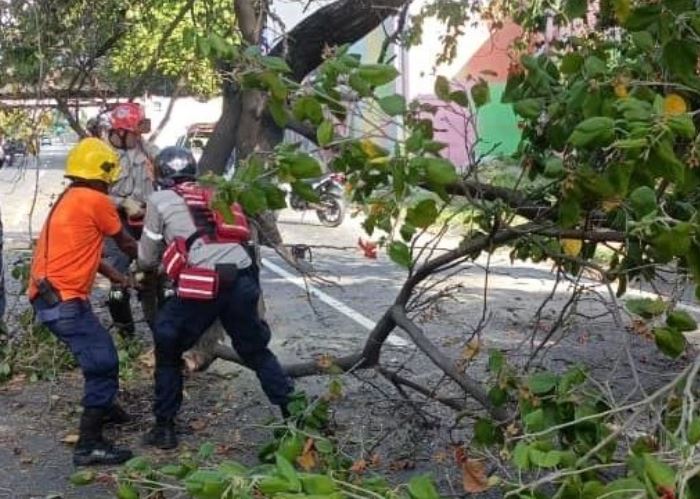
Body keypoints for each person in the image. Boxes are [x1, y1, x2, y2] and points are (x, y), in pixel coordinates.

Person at [139, 147, 293, 449]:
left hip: (203, 282)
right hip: (243, 277)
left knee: (168, 345)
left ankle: (164, 427)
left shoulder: (158, 200)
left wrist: (145, 269)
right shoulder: (219, 192)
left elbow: (147, 257)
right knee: (256, 350)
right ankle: (296, 413)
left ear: (160, 175)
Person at [28, 138, 139, 466]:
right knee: (103, 362)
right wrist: (156, 265)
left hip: (51, 296)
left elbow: (87, 253)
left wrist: (120, 279)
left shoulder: (72, 197)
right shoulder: (95, 199)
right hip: (63, 301)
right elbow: (127, 244)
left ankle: (106, 408)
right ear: (102, 173)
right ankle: (88, 445)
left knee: (100, 352)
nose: (110, 184)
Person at [103, 102, 159, 336]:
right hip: (117, 223)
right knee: (117, 286)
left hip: (147, 223)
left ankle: (160, 333)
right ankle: (126, 335)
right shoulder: (103, 157)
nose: (136, 137)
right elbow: (93, 195)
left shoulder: (150, 152)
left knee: (153, 279)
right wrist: (122, 202)